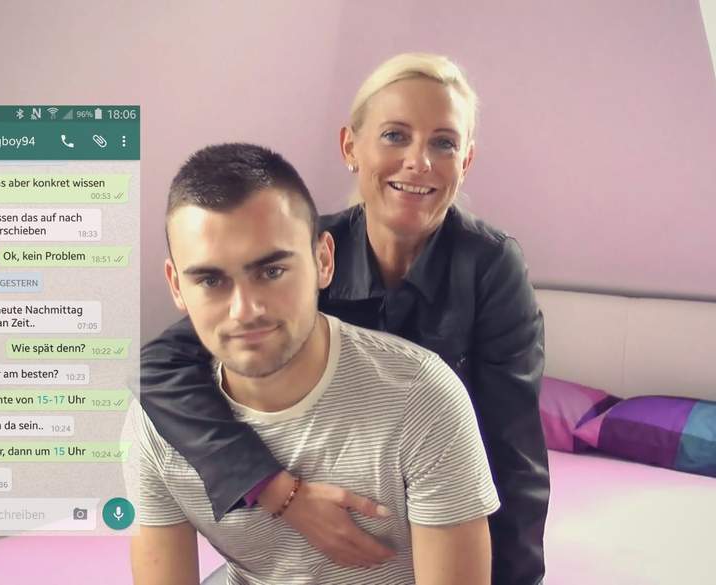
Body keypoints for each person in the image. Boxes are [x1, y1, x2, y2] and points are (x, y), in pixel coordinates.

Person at [140, 53, 550, 585]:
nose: (419, 161)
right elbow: (160, 366)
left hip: (438, 521)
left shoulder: (490, 269)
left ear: (466, 160)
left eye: (444, 143)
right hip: (298, 542)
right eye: (395, 136)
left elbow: (515, 457)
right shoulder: (300, 254)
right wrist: (275, 490)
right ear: (350, 147)